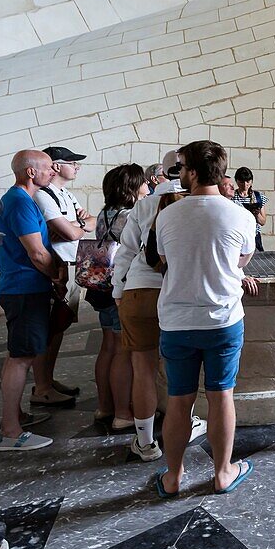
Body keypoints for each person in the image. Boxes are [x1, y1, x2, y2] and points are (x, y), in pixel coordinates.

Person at [154, 140, 257, 497]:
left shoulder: (167, 214)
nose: (178, 173)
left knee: (179, 400)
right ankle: (223, 472)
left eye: (181, 167)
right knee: (221, 396)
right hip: (224, 320)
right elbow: (242, 262)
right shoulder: (241, 215)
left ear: (194, 172)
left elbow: (165, 260)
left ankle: (174, 475)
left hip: (177, 321)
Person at [112, 151, 204, 463]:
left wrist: (117, 289)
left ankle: (145, 441)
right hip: (179, 293)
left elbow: (125, 251)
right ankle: (185, 425)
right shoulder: (196, 202)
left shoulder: (144, 204)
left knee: (143, 370)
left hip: (139, 290)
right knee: (183, 370)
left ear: (160, 174)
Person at [0, 150, 68, 451]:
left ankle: (16, 415)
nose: (53, 172)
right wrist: (56, 276)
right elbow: (37, 253)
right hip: (24, 287)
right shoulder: (21, 203)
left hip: (24, 287)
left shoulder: (20, 200)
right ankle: (10, 431)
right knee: (21, 357)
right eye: (48, 168)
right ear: (30, 173)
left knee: (22, 352)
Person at [31, 145, 95, 406]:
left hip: (72, 262)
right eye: (72, 162)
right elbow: (68, 233)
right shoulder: (43, 196)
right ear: (56, 166)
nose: (76, 167)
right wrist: (76, 227)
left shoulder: (65, 194)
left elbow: (92, 221)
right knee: (50, 326)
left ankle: (47, 379)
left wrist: (77, 225)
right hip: (58, 265)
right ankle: (42, 387)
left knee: (60, 325)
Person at [88, 164, 147, 431]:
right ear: (132, 188)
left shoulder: (105, 213)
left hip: (101, 287)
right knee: (124, 351)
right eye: (143, 183)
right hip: (120, 289)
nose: (148, 187)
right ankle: (123, 413)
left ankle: (106, 406)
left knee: (108, 347)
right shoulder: (131, 215)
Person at [231, 167, 268, 252]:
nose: (245, 185)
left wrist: (257, 213)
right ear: (236, 181)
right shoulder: (232, 197)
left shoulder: (258, 197)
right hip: (237, 234)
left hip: (254, 235)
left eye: (248, 182)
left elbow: (263, 222)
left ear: (251, 181)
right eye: (241, 182)